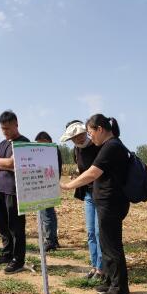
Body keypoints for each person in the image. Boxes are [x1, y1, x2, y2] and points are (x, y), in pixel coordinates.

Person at [60, 114, 131, 294]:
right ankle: (109, 280)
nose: (90, 137)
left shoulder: (112, 146)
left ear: (100, 129)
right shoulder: (110, 146)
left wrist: (68, 186)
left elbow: (93, 172)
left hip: (111, 202)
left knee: (112, 246)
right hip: (106, 202)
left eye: (90, 133)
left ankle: (120, 289)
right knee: (106, 244)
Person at [60, 120, 103, 280]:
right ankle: (94, 266)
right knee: (91, 232)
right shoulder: (76, 150)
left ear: (85, 132)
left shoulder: (98, 145)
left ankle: (101, 268)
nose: (77, 139)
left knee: (100, 233)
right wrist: (76, 173)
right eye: (73, 137)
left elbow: (95, 170)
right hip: (88, 195)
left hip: (101, 194)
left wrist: (70, 184)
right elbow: (81, 168)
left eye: (79, 135)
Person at [0, 110, 30, 274]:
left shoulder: (23, 142)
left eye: (7, 128)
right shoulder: (3, 144)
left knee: (16, 227)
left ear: (16, 124)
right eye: (2, 129)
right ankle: (7, 254)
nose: (5, 132)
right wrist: (3, 163)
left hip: (15, 191)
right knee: (2, 225)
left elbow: (13, 163)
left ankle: (18, 260)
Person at [34, 131, 62, 251]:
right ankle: (53, 239)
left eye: (41, 143)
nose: (39, 146)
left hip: (48, 185)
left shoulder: (52, 150)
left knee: (46, 213)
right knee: (47, 212)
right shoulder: (52, 150)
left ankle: (50, 241)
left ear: (47, 140)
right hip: (46, 185)